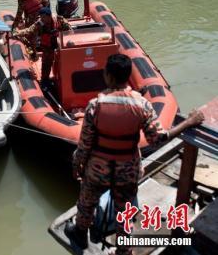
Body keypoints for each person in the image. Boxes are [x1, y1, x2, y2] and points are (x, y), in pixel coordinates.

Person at [65, 54, 205, 255]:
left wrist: (76, 164)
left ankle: (79, 233)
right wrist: (189, 122)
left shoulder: (95, 106)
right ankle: (124, 250)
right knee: (124, 213)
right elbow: (158, 138)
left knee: (86, 202)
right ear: (128, 77)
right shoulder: (142, 105)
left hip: (97, 170)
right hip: (127, 171)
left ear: (109, 77)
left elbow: (85, 144)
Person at [13, 6, 70, 84]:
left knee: (63, 62)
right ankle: (45, 80)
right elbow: (29, 30)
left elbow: (69, 30)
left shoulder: (59, 20)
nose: (41, 19)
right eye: (41, 17)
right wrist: (17, 33)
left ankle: (62, 78)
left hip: (59, 43)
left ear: (48, 16)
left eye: (43, 17)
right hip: (48, 46)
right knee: (46, 63)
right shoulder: (40, 22)